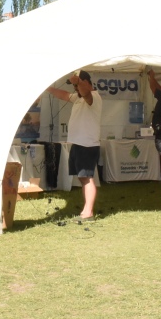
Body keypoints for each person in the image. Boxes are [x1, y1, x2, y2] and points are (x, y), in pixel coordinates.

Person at [47, 71, 102, 220]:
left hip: (87, 144)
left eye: (78, 84)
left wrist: (77, 82)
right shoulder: (78, 97)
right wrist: (49, 88)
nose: (76, 89)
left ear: (86, 82)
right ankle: (86, 209)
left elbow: (86, 94)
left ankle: (88, 212)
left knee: (87, 178)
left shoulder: (94, 96)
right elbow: (64, 95)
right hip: (79, 143)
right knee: (83, 178)